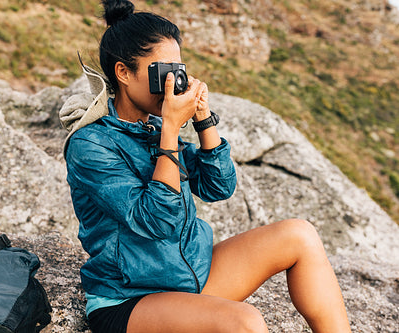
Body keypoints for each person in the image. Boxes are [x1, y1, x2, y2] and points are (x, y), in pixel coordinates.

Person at [60, 0, 352, 332]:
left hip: (191, 275)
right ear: (124, 73)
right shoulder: (91, 144)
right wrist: (170, 129)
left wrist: (203, 119)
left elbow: (218, 187)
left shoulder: (152, 128)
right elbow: (157, 222)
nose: (174, 83)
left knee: (300, 234)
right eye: (162, 72)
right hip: (131, 299)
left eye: (178, 71)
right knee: (245, 322)